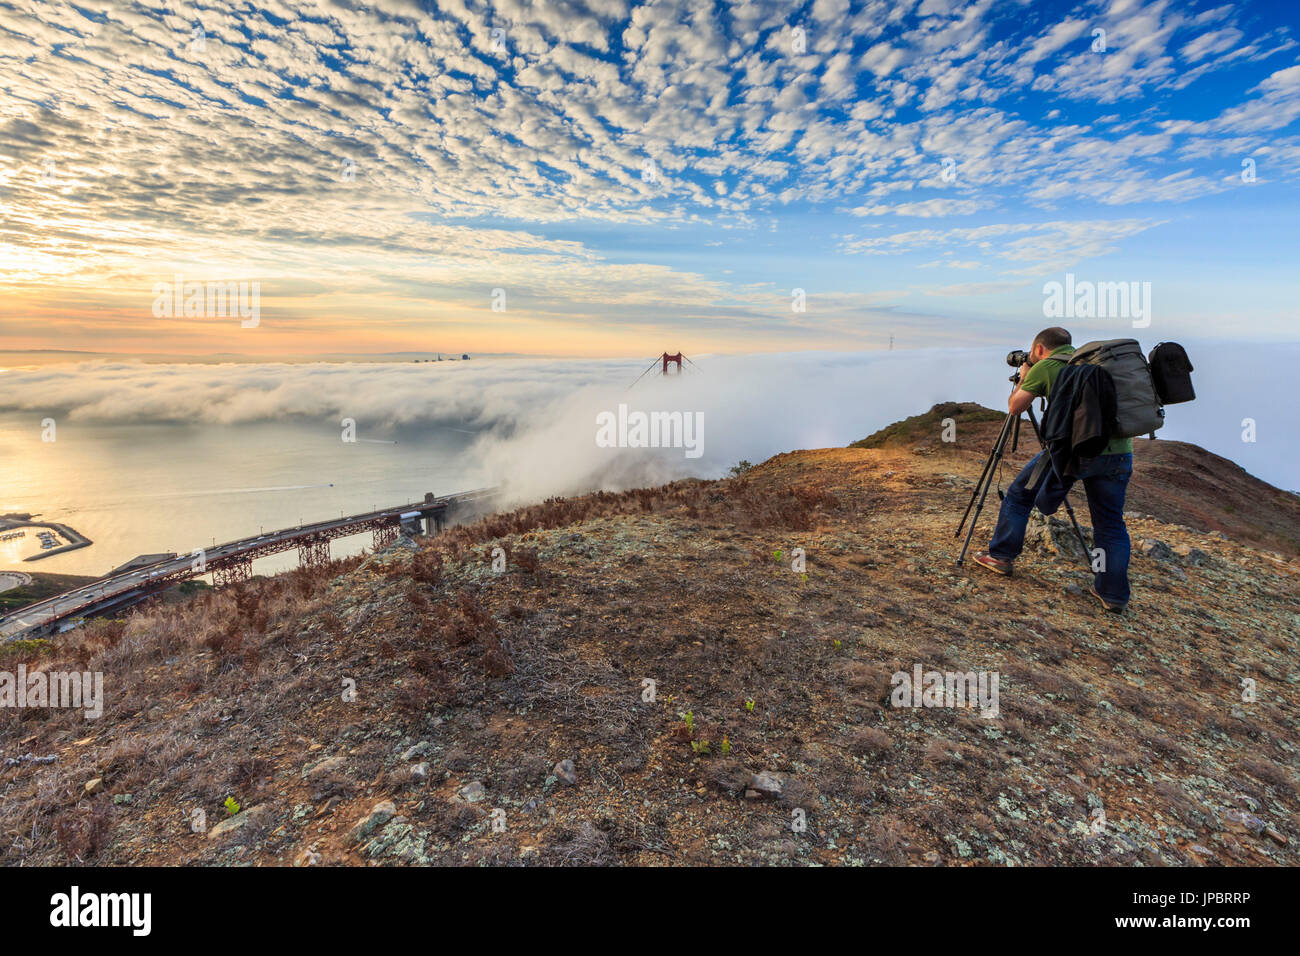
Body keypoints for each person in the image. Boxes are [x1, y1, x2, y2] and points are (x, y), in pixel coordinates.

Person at [973, 327, 1133, 612]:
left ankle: (1001, 556)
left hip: (1073, 453)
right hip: (1119, 453)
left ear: (1039, 350)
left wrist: (1023, 378)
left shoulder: (1045, 366)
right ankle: (1113, 595)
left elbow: (1015, 407)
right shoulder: (1095, 363)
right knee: (1110, 523)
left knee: (1019, 496)